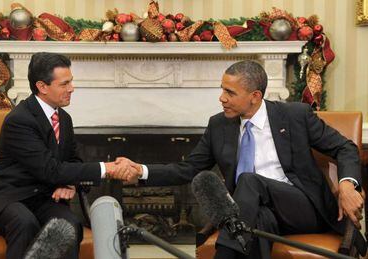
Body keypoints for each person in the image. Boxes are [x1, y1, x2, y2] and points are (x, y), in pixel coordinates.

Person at [111, 60, 364, 258]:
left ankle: (223, 252)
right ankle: (233, 242)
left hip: (302, 206)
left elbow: (345, 147)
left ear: (255, 96)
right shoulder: (219, 125)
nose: (222, 98)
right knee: (255, 225)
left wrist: (346, 184)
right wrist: (140, 171)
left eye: (230, 92)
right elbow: (187, 169)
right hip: (253, 212)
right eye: (222, 90)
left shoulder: (294, 115)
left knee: (249, 181)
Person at [0, 52, 130, 259]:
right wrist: (105, 168)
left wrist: (70, 184)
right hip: (6, 197)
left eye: (71, 82)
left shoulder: (64, 119)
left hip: (42, 197)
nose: (71, 89)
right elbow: (50, 169)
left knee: (69, 224)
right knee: (24, 222)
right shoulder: (19, 120)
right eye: (64, 84)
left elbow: (73, 160)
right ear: (42, 86)